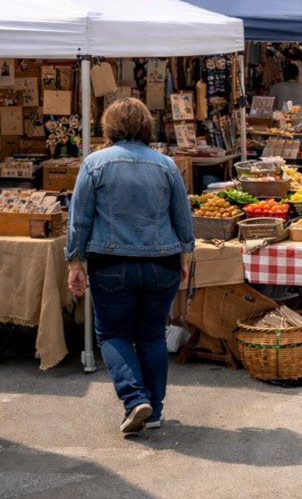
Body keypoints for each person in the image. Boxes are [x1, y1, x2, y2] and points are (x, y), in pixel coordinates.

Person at [65, 98, 194, 434]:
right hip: (161, 262)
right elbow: (182, 217)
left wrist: (75, 262)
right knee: (151, 336)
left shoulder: (95, 163)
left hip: (111, 264)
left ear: (108, 126)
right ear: (147, 125)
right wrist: (184, 257)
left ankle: (136, 399)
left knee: (112, 334)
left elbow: (79, 220)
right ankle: (153, 413)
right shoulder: (166, 165)